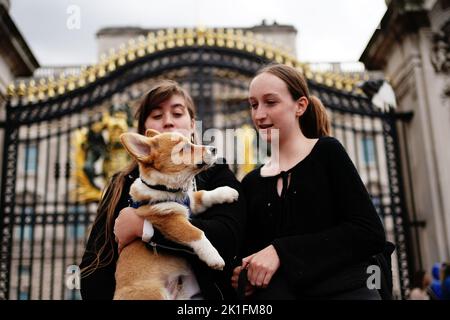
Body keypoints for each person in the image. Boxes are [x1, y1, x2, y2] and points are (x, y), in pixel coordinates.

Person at [231, 63, 386, 300]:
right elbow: (250, 253)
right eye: (253, 105)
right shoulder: (251, 182)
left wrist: (281, 252)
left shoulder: (327, 152)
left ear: (300, 105)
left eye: (270, 102)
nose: (259, 115)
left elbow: (368, 232)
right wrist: (245, 273)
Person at [79, 80, 246, 300]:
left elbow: (229, 237)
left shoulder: (217, 173)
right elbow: (95, 266)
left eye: (177, 114)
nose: (168, 122)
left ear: (192, 125)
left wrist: (145, 228)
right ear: (145, 137)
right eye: (157, 116)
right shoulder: (122, 184)